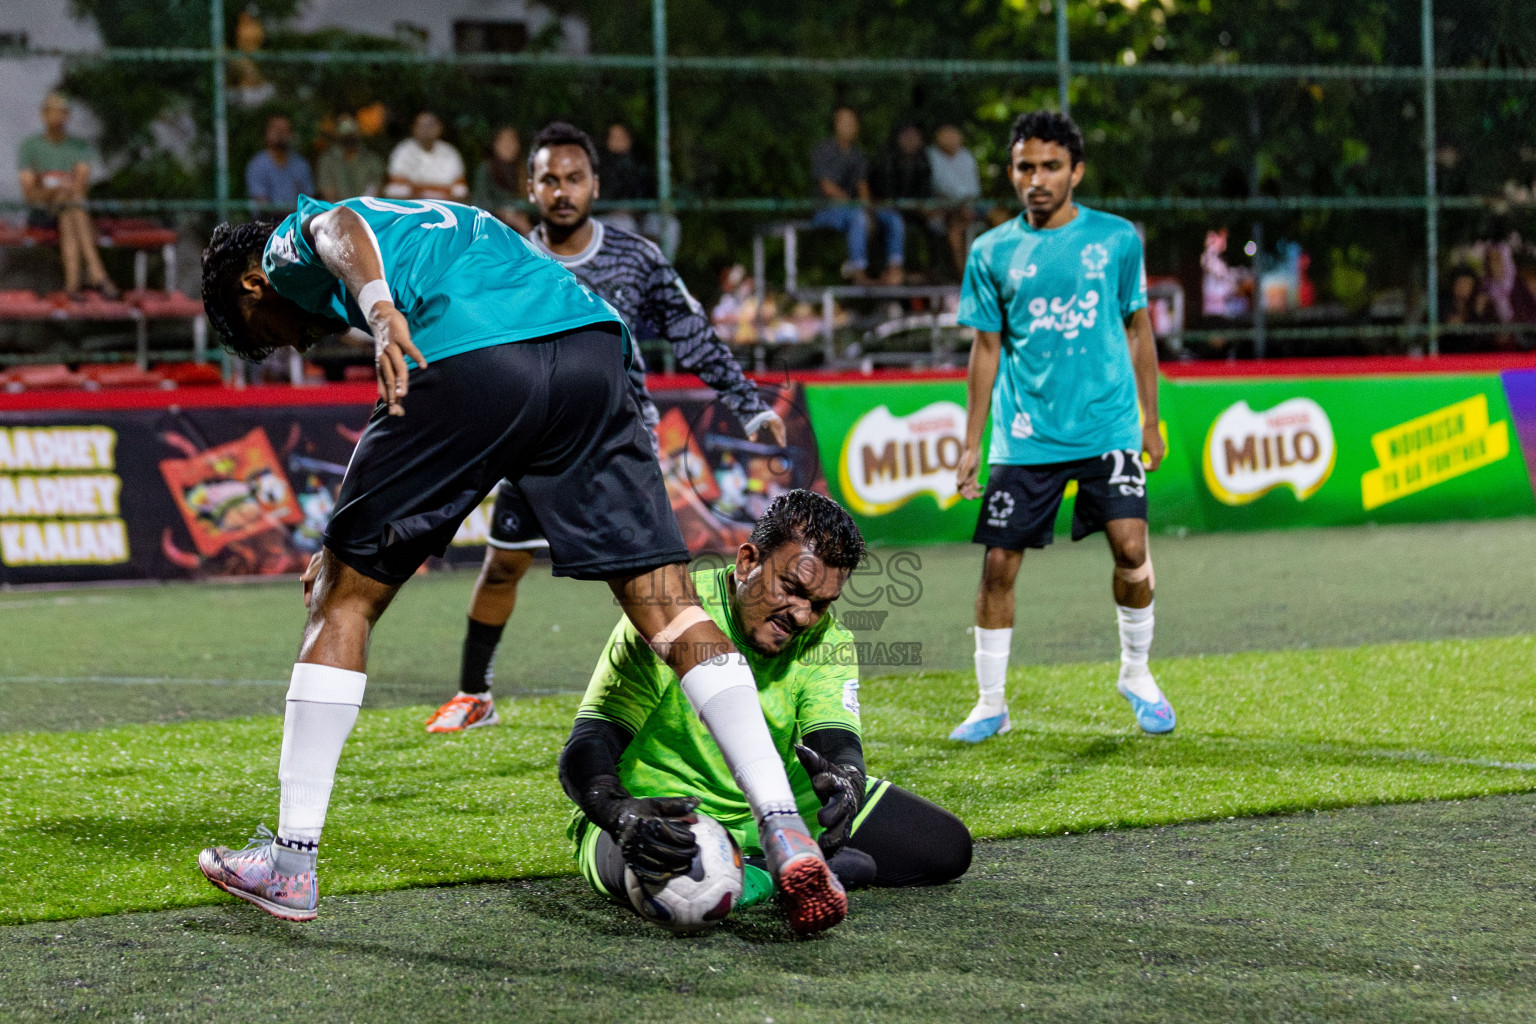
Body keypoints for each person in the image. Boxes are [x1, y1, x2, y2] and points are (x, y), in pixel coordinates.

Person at [193, 193, 846, 934]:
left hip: (473, 351)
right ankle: (783, 821)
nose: (294, 344)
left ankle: (291, 860)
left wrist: (378, 312)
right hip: (594, 351)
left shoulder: (290, 246)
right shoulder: (433, 219)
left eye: (266, 334)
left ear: (252, 288)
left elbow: (335, 228)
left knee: (342, 602)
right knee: (669, 605)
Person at [424, 120, 786, 732]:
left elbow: (691, 332)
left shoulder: (636, 258)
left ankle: (710, 697)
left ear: (594, 184)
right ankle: (474, 694)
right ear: (529, 186)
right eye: (548, 180)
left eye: (573, 179)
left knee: (657, 584)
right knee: (502, 566)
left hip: (619, 443)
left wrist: (747, 401)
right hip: (534, 444)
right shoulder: (507, 256)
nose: (561, 191)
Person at [560, 490, 972, 928]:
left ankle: (766, 866)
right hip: (659, 807)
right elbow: (589, 744)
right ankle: (779, 872)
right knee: (683, 886)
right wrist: (616, 811)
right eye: (792, 589)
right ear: (746, 561)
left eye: (820, 603)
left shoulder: (826, 640)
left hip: (777, 802)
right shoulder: (671, 614)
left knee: (946, 848)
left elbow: (834, 740)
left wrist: (847, 780)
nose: (803, 616)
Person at [950, 110, 1174, 743]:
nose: (1037, 180)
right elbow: (985, 349)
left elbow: (1138, 329)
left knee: (1132, 550)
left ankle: (1137, 673)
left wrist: (1150, 421)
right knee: (999, 566)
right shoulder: (990, 251)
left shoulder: (1117, 240)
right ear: (1012, 171)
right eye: (1026, 167)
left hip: (1108, 428)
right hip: (1026, 436)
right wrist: (973, 443)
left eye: (1051, 167)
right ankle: (990, 702)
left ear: (1076, 171)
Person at [16, 92, 120, 300]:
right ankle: (97, 274)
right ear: (44, 115)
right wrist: (58, 190)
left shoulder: (79, 147)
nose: (59, 117)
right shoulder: (30, 147)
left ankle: (72, 286)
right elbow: (31, 194)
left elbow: (81, 187)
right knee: (71, 205)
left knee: (70, 209)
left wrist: (56, 189)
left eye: (63, 112)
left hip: (69, 210)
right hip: (43, 215)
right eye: (54, 112)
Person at [810, 107, 905, 286]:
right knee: (859, 218)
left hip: (855, 208)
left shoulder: (858, 154)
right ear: (836, 125)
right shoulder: (823, 150)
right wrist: (857, 207)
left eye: (853, 123)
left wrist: (867, 207)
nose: (850, 127)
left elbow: (862, 186)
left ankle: (895, 269)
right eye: (846, 122)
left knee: (893, 218)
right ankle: (858, 271)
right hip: (827, 210)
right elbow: (827, 187)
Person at [928, 124, 982, 281]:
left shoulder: (966, 156)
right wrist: (962, 206)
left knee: (1000, 215)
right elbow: (941, 186)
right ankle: (964, 276)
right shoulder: (932, 157)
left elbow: (974, 188)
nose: (951, 139)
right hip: (946, 208)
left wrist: (968, 205)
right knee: (956, 228)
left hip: (971, 204)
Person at [384, 111, 467, 201]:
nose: (426, 130)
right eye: (421, 126)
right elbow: (395, 190)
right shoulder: (403, 151)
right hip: (412, 207)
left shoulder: (450, 153)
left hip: (444, 208)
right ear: (414, 128)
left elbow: (460, 191)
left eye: (430, 125)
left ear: (440, 128)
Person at [471, 126, 532, 234]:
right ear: (495, 144)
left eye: (512, 140)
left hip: (523, 221)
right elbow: (480, 202)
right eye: (503, 140)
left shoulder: (524, 170)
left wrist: (517, 211)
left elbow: (534, 203)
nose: (508, 145)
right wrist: (507, 213)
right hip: (491, 225)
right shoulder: (486, 168)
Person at [245, 115, 314, 207]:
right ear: (267, 134)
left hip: (296, 218)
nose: (280, 134)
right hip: (267, 219)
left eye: (285, 130)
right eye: (276, 129)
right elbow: (261, 201)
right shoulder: (257, 164)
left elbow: (308, 199)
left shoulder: (301, 164)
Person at [316, 116, 384, 203]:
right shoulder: (327, 160)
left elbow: (376, 187)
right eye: (345, 135)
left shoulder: (372, 159)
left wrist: (363, 206)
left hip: (365, 208)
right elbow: (327, 191)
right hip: (337, 208)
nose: (349, 139)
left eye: (351, 135)